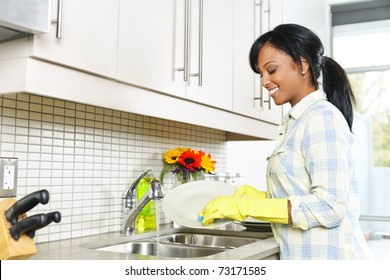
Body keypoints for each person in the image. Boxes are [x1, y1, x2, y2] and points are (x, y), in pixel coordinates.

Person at [199, 24, 372, 260]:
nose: (264, 81)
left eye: (271, 70)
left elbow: (330, 207)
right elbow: (301, 192)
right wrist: (260, 198)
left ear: (302, 65)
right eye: (261, 73)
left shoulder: (321, 118)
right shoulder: (296, 122)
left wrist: (248, 207)